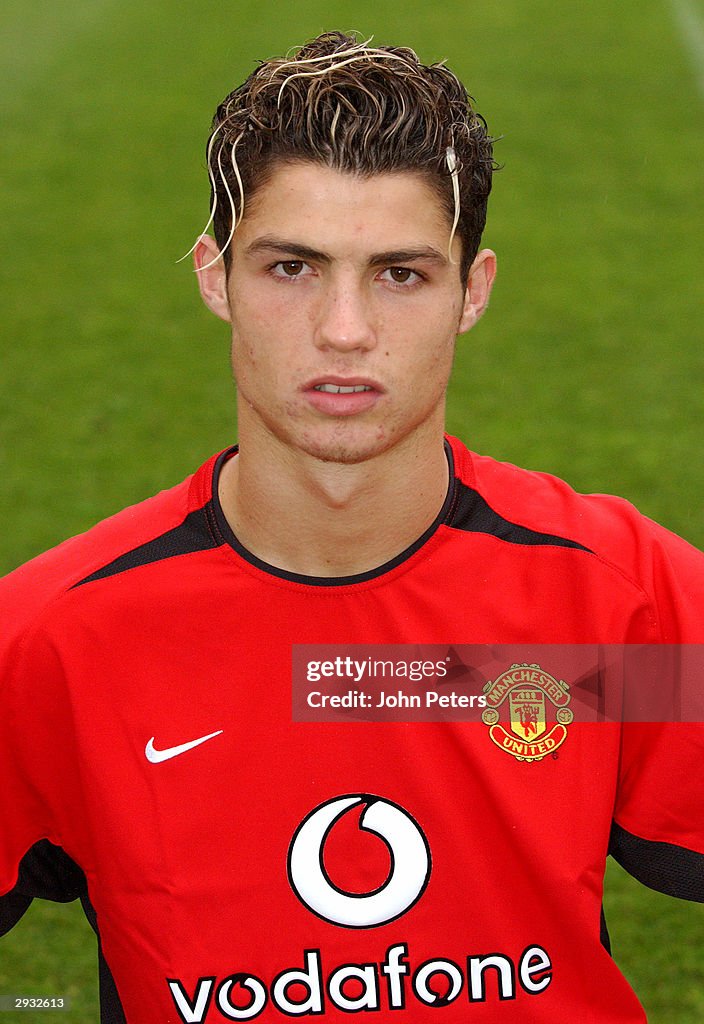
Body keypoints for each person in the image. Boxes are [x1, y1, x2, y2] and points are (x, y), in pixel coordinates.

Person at [1, 29, 702, 1024]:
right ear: (215, 278)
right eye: (291, 268)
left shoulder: (612, 604)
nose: (342, 330)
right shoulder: (53, 643)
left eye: (399, 274)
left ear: (473, 291)